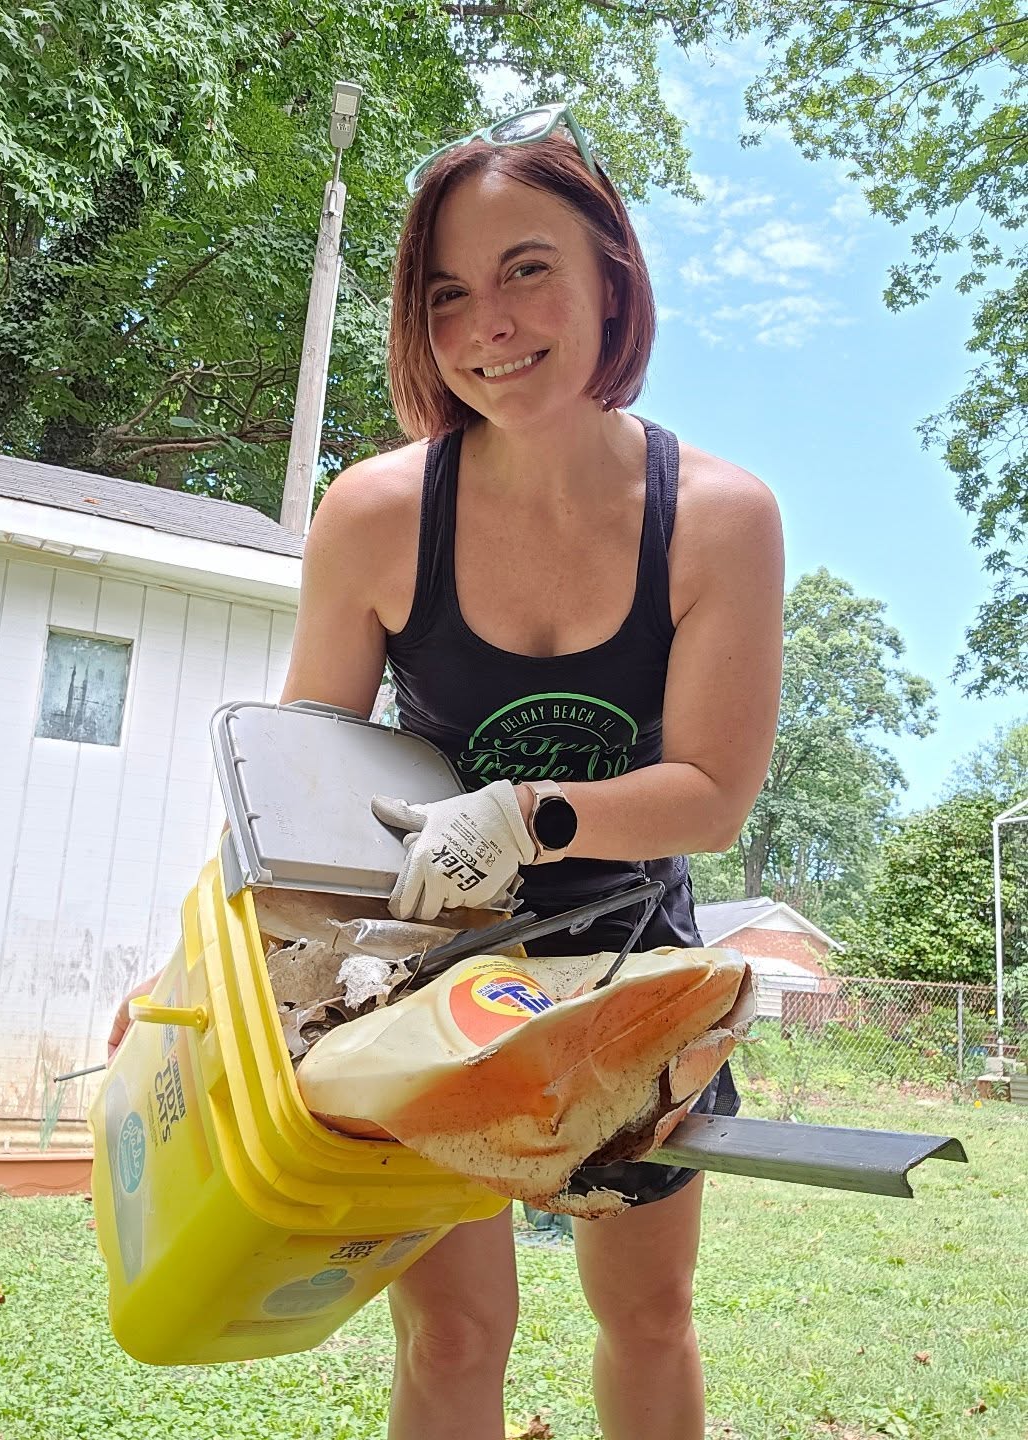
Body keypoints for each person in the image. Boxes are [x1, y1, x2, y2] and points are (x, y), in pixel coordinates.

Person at [109, 102, 783, 1440]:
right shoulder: (375, 514)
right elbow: (296, 791)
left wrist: (524, 816)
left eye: (528, 269)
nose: (491, 324)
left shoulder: (720, 520)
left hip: (631, 977)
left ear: (612, 280)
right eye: (449, 294)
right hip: (426, 978)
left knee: (648, 1316)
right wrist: (194, 978)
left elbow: (714, 792)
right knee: (458, 1332)